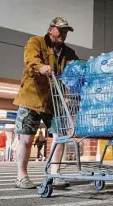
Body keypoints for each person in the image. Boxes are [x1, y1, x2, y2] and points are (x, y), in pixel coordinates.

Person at [13, 17, 79, 189]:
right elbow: (30, 60)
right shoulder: (36, 42)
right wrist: (40, 66)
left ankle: (55, 174)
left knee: (60, 137)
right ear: (51, 29)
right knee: (26, 139)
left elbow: (77, 68)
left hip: (53, 101)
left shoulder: (69, 53)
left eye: (66, 31)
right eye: (60, 30)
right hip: (32, 97)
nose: (63, 34)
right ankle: (21, 175)